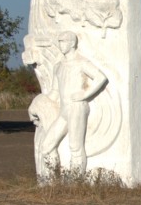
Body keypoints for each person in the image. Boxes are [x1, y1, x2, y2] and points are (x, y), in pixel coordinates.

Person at [40, 31, 108, 174]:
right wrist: (37, 106)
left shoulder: (81, 62)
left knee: (75, 147)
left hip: (77, 108)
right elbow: (54, 93)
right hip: (64, 110)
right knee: (47, 145)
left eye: (63, 41)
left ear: (72, 43)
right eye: (59, 41)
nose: (60, 44)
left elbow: (101, 78)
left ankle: (76, 182)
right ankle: (52, 180)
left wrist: (84, 94)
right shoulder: (58, 66)